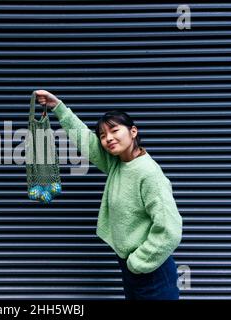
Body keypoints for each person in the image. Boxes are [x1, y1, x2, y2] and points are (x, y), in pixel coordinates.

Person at [34, 90, 183, 300]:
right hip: (134, 270)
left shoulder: (148, 172)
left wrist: (138, 262)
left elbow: (170, 229)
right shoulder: (118, 164)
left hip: (153, 272)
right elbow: (86, 140)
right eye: (103, 135)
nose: (108, 138)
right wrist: (58, 106)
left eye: (114, 130)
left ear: (133, 131)